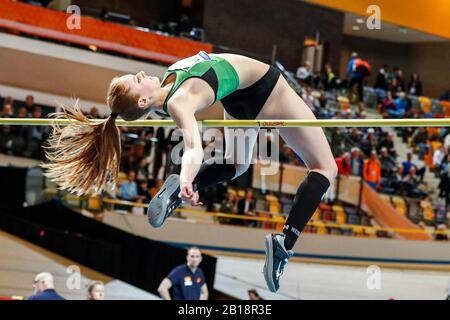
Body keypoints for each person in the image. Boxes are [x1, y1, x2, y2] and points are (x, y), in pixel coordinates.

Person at [43, 51, 337, 293]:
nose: (142, 74)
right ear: (143, 101)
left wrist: (187, 179)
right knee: (326, 168)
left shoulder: (165, 96)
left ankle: (182, 186)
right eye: (137, 80)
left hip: (237, 98)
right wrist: (186, 179)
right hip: (266, 90)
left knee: (237, 165)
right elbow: (193, 147)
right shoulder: (176, 100)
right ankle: (284, 243)